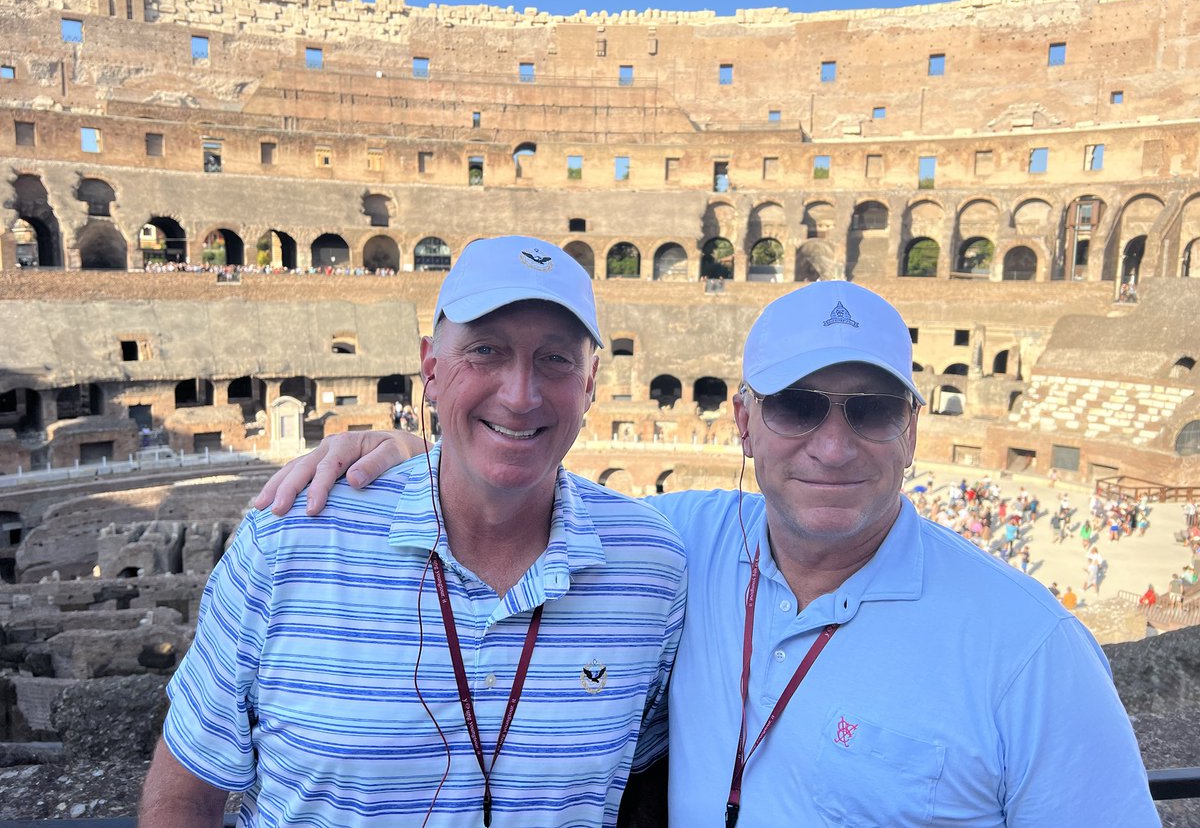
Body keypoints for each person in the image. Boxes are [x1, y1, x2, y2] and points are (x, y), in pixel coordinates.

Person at [258, 280, 1159, 826]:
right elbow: (529, 484)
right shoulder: (676, 542)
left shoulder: (1030, 650)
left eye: (871, 410)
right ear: (744, 422)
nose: (833, 446)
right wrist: (425, 453)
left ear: (914, 429)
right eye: (799, 407)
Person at [139, 236, 687, 827]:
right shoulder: (287, 543)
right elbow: (186, 793)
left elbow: (644, 783)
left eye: (556, 359)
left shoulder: (652, 567)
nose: (520, 394)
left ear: (589, 383)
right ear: (430, 369)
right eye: (485, 351)